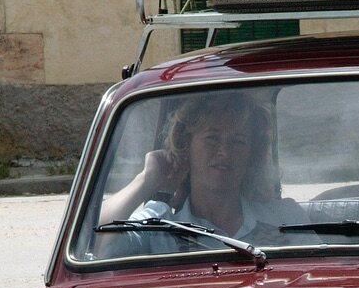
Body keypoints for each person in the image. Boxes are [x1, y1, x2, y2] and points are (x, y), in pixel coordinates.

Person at [97, 91, 308, 251]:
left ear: (251, 155)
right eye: (212, 138)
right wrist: (146, 181)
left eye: (238, 142)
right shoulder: (160, 231)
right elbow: (92, 241)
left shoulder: (285, 218)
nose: (224, 152)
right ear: (186, 146)